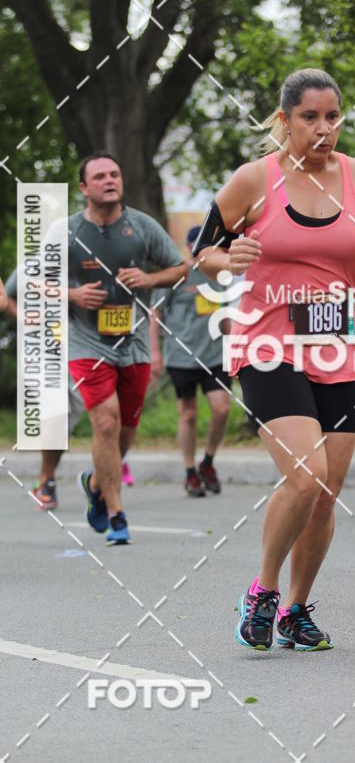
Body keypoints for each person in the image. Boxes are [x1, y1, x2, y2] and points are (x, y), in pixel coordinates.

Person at [195, 68, 355, 650]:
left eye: (332, 117)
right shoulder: (253, 180)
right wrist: (226, 260)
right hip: (268, 345)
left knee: (326, 490)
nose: (323, 129)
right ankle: (262, 592)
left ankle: (297, 612)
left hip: (343, 346)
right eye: (310, 118)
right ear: (284, 120)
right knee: (304, 477)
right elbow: (201, 251)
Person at [69, 152, 187, 545]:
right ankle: (117, 514)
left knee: (125, 433)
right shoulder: (66, 232)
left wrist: (148, 277)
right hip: (86, 343)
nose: (109, 180)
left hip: (133, 343)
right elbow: (34, 281)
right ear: (84, 188)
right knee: (105, 421)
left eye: (114, 174)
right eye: (99, 176)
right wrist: (73, 293)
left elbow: (180, 268)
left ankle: (97, 484)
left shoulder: (141, 225)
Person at [150, 225, 231, 497]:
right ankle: (189, 472)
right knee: (189, 413)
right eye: (200, 247)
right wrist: (155, 352)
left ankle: (207, 462)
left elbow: (225, 315)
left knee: (221, 408)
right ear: (189, 248)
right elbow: (155, 314)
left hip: (215, 354)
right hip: (181, 355)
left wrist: (236, 346)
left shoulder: (220, 275)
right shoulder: (178, 274)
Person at [3, 268, 86, 509]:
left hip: (75, 349)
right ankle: (47, 481)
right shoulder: (30, 265)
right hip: (39, 350)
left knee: (68, 417)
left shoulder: (82, 260)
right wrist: (23, 316)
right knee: (56, 411)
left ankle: (45, 475)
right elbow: (6, 297)